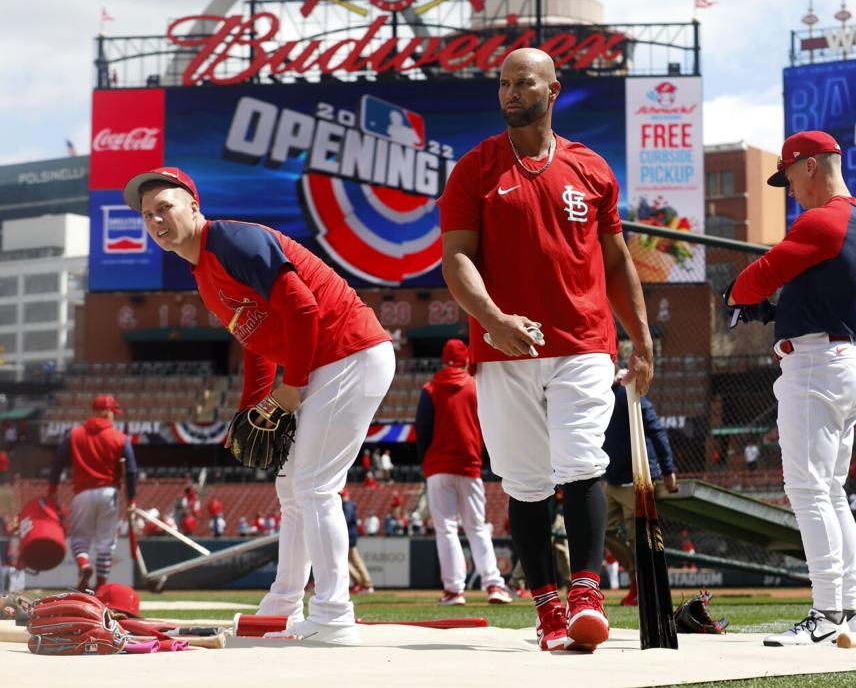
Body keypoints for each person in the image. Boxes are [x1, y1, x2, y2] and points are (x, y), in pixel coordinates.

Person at [438, 48, 654, 653]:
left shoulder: (592, 168)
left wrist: (640, 337)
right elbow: (457, 258)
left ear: (552, 90)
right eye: (503, 83)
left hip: (584, 342)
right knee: (525, 482)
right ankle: (548, 610)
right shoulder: (474, 168)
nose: (509, 93)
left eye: (522, 83)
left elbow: (616, 261)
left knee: (582, 460)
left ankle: (586, 595)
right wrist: (495, 319)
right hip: (503, 347)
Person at [123, 166, 394, 646]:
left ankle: (333, 613)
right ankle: (283, 605)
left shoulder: (232, 241)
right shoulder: (203, 270)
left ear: (193, 204)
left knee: (312, 486)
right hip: (330, 358)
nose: (156, 220)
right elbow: (258, 341)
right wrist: (251, 409)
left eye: (165, 207)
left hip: (348, 350)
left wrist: (291, 389)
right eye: (147, 215)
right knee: (292, 488)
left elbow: (304, 309)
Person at [725, 130, 856, 646]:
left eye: (789, 175)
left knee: (809, 492)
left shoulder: (823, 218)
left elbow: (750, 280)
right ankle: (847, 612)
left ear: (809, 166)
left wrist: (745, 298)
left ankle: (827, 614)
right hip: (842, 358)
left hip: (816, 365)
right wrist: (778, 308)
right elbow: (816, 290)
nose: (789, 187)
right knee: (831, 493)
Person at [415, 339, 512, 606]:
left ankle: (454, 591)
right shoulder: (477, 386)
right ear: (466, 358)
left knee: (446, 529)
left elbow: (422, 430)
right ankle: (494, 584)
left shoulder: (431, 388)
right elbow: (490, 423)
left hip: (438, 466)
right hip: (469, 465)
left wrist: (427, 460)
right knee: (477, 526)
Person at [47, 394, 137, 591]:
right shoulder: (120, 437)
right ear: (107, 412)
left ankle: (84, 565)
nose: (114, 416)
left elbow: (58, 461)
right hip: (109, 493)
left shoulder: (75, 434)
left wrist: (52, 488)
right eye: (114, 412)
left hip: (82, 493)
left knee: (80, 539)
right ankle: (101, 588)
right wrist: (132, 499)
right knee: (105, 544)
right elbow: (131, 469)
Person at [601, 374, 677, 606]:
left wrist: (668, 470)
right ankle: (637, 577)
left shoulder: (627, 391)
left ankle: (643, 588)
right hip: (610, 479)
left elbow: (656, 429)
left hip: (636, 477)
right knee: (602, 530)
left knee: (639, 537)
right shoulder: (601, 392)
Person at [341, 489, 373, 594]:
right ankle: (364, 583)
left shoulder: (347, 506)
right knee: (352, 561)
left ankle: (364, 583)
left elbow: (344, 520)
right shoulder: (348, 505)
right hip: (350, 536)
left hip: (348, 537)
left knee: (346, 561)